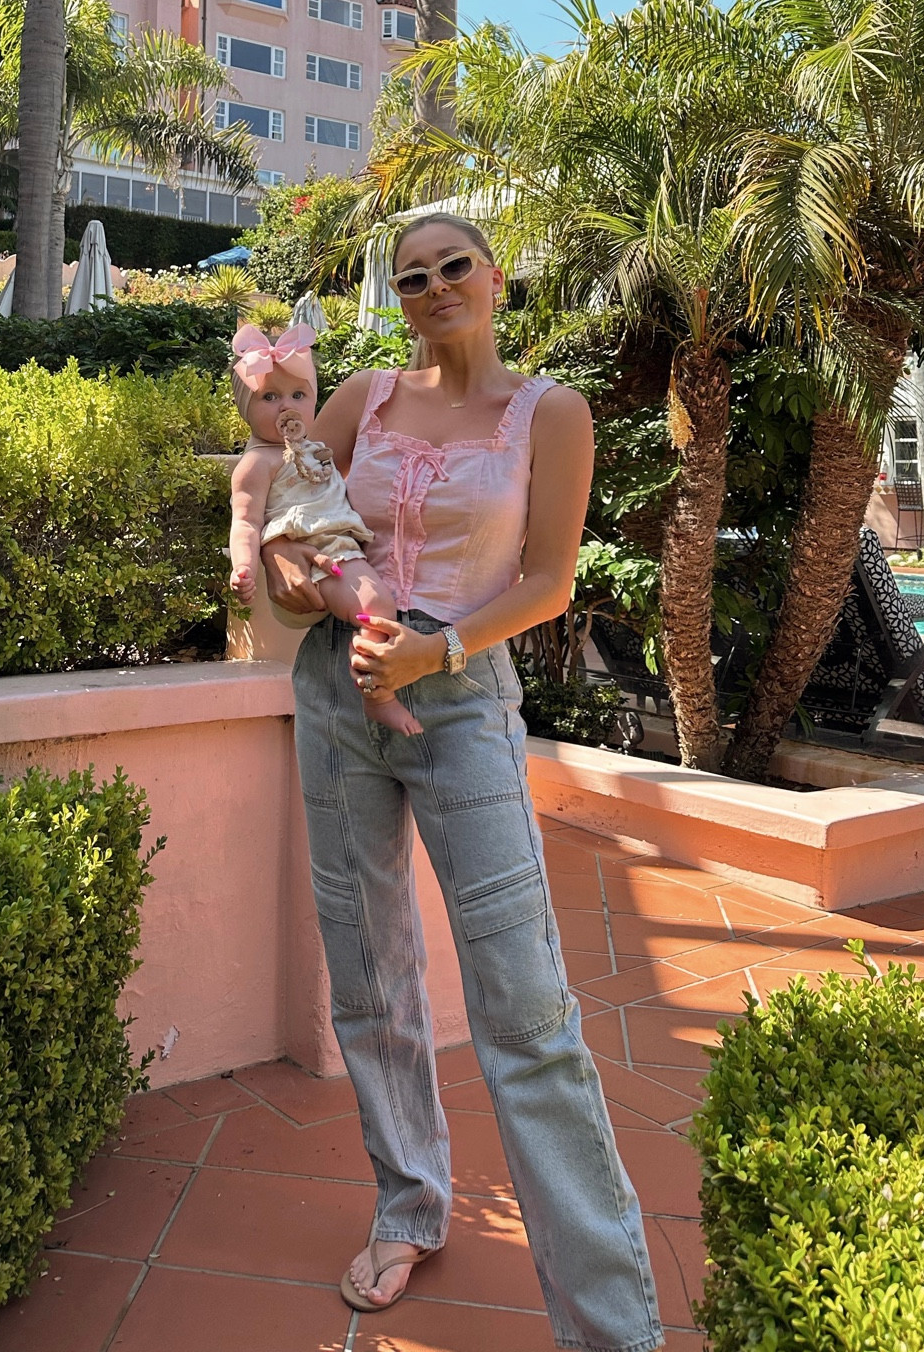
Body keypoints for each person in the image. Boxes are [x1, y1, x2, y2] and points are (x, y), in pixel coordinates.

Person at [262, 215, 663, 1351]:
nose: (435, 285)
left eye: (454, 266)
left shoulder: (552, 412)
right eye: (412, 275)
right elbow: (297, 544)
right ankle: (408, 1204)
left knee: (526, 1011)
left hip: (460, 698)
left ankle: (611, 1322)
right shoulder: (361, 398)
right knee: (369, 978)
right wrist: (313, 589)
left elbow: (545, 580)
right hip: (339, 698)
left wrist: (433, 650)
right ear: (396, 297)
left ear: (493, 278)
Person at [227, 322, 422, 737]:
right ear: (244, 406)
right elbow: (245, 520)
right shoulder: (257, 464)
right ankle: (377, 696)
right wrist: (244, 566)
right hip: (319, 552)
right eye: (269, 397)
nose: (287, 408)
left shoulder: (312, 448)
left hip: (340, 544)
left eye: (299, 395)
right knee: (377, 605)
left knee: (375, 600)